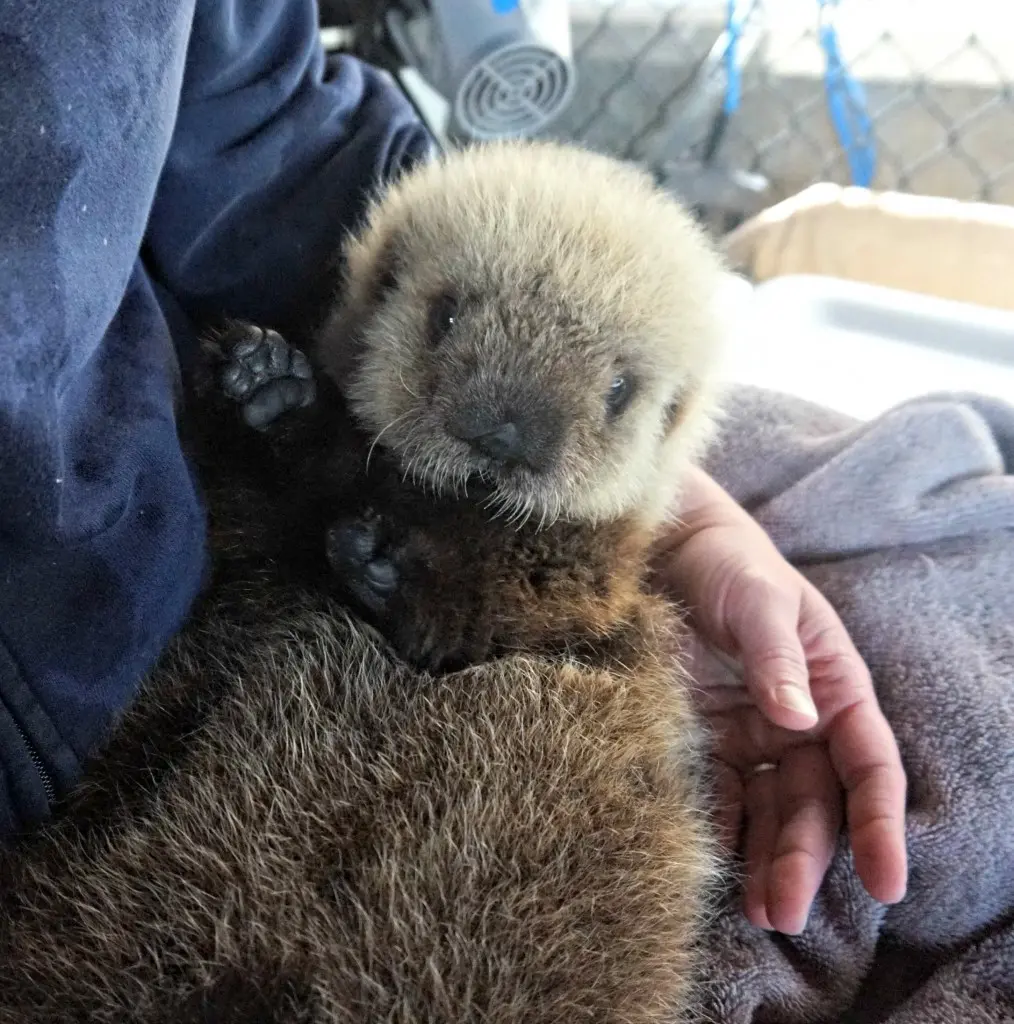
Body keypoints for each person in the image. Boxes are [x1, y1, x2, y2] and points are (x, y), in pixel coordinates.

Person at [1, 0, 905, 936]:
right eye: (449, 323)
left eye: (615, 394)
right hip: (127, 728)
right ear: (387, 292)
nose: (507, 429)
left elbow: (270, 130)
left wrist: (694, 521)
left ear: (671, 424)